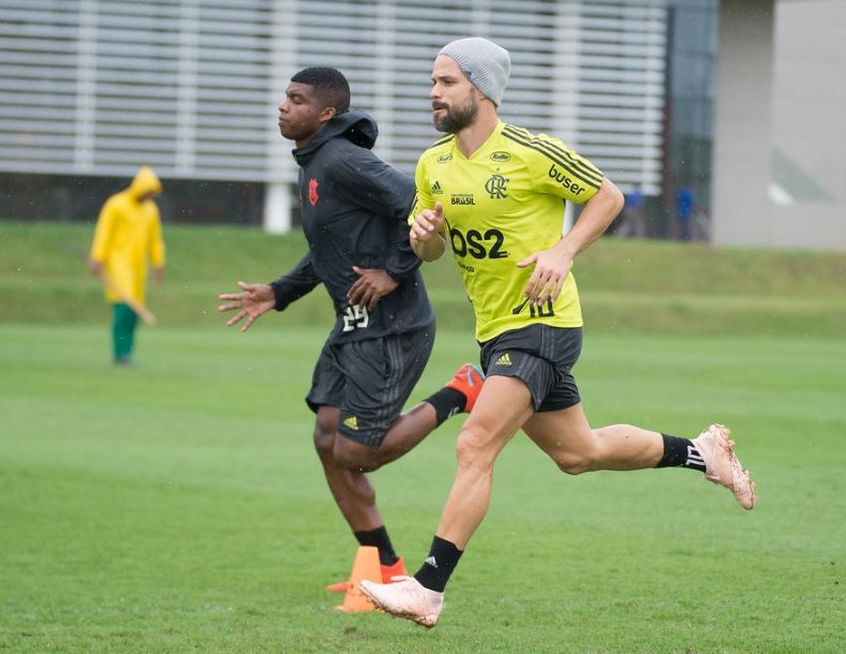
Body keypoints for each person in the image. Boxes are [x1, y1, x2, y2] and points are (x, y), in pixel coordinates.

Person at [358, 37, 755, 628]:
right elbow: (432, 250)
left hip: (543, 323)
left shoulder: (531, 151)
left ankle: (427, 588)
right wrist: (424, 236)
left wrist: (563, 251)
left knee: (475, 444)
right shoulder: (432, 163)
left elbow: (607, 197)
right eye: (433, 82)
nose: (432, 92)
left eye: (446, 82)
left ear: (481, 89)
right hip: (497, 331)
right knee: (578, 452)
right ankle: (704, 454)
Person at [217, 67, 484, 592]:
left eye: (296, 100)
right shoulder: (314, 163)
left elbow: (422, 206)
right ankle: (383, 565)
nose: (283, 106)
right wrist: (280, 291)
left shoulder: (342, 160)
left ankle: (461, 390)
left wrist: (394, 271)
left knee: (358, 453)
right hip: (355, 326)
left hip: (393, 327)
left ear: (325, 114)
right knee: (327, 438)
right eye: (285, 97)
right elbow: (330, 249)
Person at [88, 166, 166, 366]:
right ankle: (120, 352)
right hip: (117, 263)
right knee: (123, 307)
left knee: (134, 312)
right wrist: (97, 257)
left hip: (139, 266)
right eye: (148, 191)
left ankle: (127, 352)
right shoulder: (116, 204)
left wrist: (158, 264)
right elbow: (104, 232)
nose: (150, 196)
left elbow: (155, 240)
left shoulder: (151, 210)